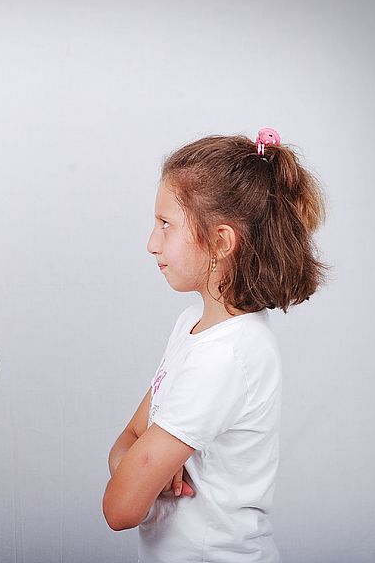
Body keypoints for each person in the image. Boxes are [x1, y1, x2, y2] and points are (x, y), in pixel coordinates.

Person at [102, 129, 326, 562]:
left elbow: (120, 507)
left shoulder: (226, 356)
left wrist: (138, 469)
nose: (152, 243)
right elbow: (127, 440)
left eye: (166, 224)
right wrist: (141, 466)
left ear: (220, 243)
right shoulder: (195, 327)